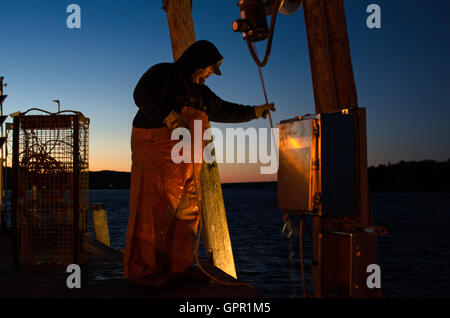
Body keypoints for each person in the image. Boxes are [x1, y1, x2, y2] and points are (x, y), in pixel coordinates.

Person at [124, 40, 275, 287]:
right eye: (210, 70)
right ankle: (142, 270)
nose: (210, 75)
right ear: (200, 63)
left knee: (188, 212)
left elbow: (225, 110)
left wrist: (255, 111)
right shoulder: (165, 73)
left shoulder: (202, 94)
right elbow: (142, 94)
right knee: (150, 211)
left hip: (187, 161)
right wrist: (169, 115)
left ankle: (179, 267)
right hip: (156, 154)